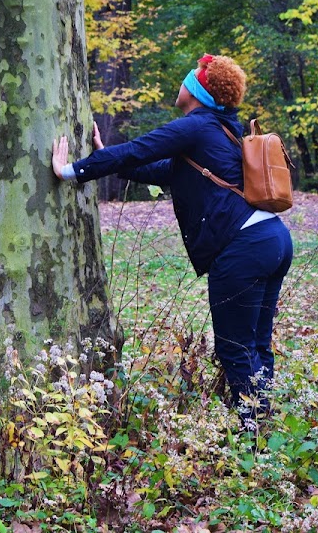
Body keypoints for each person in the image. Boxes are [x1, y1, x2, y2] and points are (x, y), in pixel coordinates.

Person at [51, 55, 292, 426]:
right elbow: (162, 170)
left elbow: (138, 149)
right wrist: (105, 157)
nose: (181, 83)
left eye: (188, 79)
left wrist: (71, 170)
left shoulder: (196, 127)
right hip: (273, 239)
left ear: (196, 91)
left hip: (244, 247)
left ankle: (253, 433)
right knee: (256, 342)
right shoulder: (219, 131)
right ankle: (263, 425)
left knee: (236, 347)